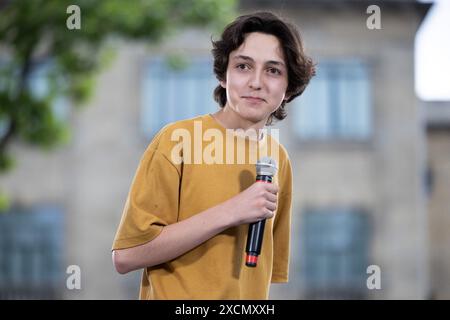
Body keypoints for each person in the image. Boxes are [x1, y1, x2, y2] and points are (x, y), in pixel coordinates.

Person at [111, 11, 315, 300]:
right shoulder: (176, 141)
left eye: (273, 70)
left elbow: (260, 275)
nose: (256, 82)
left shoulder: (277, 159)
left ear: (289, 86)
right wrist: (232, 210)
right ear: (223, 75)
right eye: (244, 66)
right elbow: (127, 255)